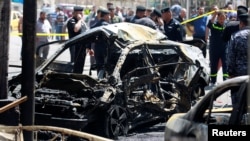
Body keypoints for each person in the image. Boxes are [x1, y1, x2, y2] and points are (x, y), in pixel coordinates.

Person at [226, 13, 250, 108]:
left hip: (239, 76)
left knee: (238, 106)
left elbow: (230, 56)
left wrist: (230, 73)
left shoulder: (236, 36)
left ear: (241, 23)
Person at [207, 11, 228, 86]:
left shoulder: (226, 26)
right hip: (214, 49)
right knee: (214, 65)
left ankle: (225, 80)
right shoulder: (214, 25)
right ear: (218, 18)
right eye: (220, 18)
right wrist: (215, 14)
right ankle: (213, 81)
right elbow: (209, 25)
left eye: (223, 18)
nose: (222, 20)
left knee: (225, 64)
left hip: (224, 49)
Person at [67, 6, 89, 73]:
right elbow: (76, 29)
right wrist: (79, 20)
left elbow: (87, 33)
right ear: (75, 13)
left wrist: (89, 47)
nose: (81, 15)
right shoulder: (72, 21)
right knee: (75, 65)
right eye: (80, 14)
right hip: (75, 46)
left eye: (82, 14)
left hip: (82, 47)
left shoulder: (82, 22)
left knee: (80, 65)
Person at [91, 9, 110, 79]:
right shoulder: (108, 26)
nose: (109, 17)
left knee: (99, 65)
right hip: (106, 50)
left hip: (97, 49)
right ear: (105, 16)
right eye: (108, 16)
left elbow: (90, 37)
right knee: (106, 66)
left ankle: (99, 80)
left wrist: (89, 47)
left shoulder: (95, 25)